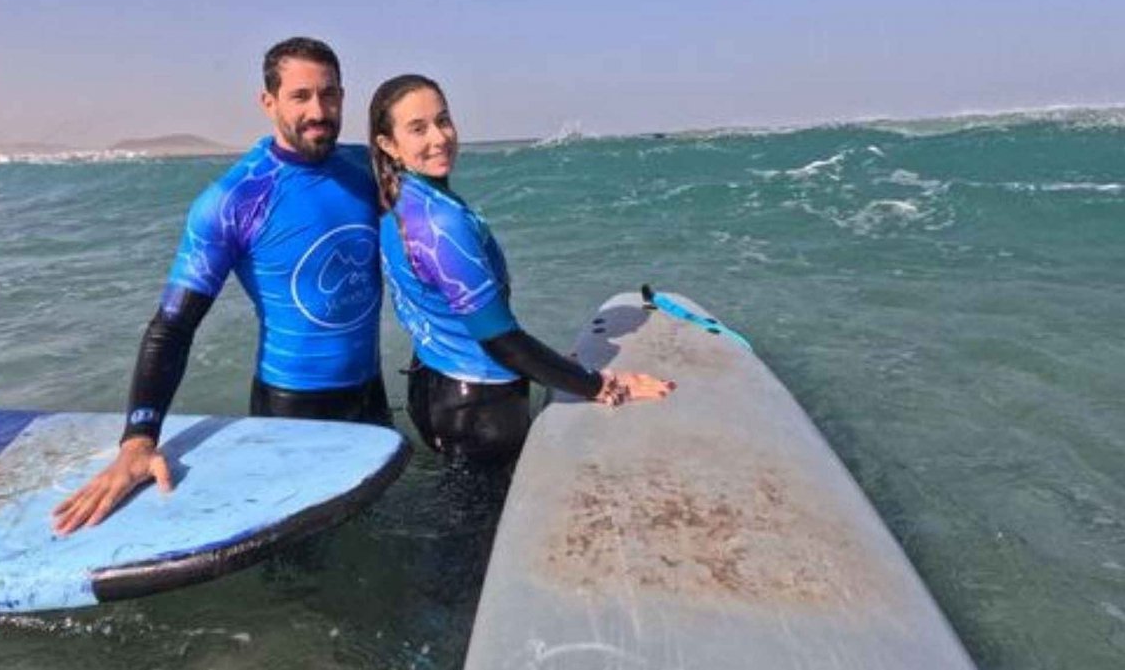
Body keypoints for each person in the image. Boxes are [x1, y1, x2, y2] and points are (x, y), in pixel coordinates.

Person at [53, 37, 386, 534]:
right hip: (292, 410)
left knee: (377, 532)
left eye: (330, 94)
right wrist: (139, 441)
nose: (319, 110)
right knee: (301, 561)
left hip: (372, 396)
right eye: (301, 96)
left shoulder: (367, 169)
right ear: (268, 102)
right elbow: (172, 327)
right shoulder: (234, 199)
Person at [369, 74, 673, 464]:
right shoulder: (440, 222)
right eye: (418, 129)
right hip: (479, 408)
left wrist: (556, 366)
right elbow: (500, 340)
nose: (439, 137)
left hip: (432, 385)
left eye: (443, 120)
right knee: (486, 522)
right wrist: (597, 384)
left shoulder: (398, 201)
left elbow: (444, 311)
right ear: (388, 144)